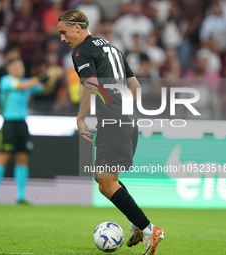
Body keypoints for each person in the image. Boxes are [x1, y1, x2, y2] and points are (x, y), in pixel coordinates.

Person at [57, 10, 164, 255]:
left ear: (77, 27)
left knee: (106, 185)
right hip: (126, 120)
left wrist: (81, 117)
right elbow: (135, 84)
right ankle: (138, 224)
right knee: (105, 179)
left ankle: (149, 230)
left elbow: (91, 85)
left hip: (112, 122)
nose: (62, 38)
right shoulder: (113, 49)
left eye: (64, 32)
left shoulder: (82, 51)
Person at [0, 58, 44, 205]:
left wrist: (51, 76)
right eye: (17, 66)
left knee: (22, 159)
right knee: (2, 157)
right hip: (9, 124)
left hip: (22, 124)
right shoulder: (6, 81)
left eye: (22, 66)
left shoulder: (27, 82)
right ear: (10, 69)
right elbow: (23, 86)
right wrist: (40, 77)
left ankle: (21, 197)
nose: (21, 69)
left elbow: (43, 88)